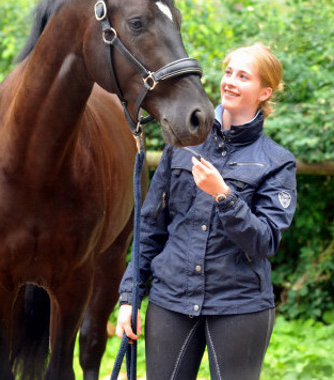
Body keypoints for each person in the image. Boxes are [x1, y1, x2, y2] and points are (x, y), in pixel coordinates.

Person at [116, 42, 297, 380]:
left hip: (239, 305)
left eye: (243, 76)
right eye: (228, 72)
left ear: (264, 92)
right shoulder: (182, 144)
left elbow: (264, 242)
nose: (230, 81)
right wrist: (130, 297)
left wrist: (224, 196)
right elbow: (150, 228)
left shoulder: (277, 162)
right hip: (170, 298)